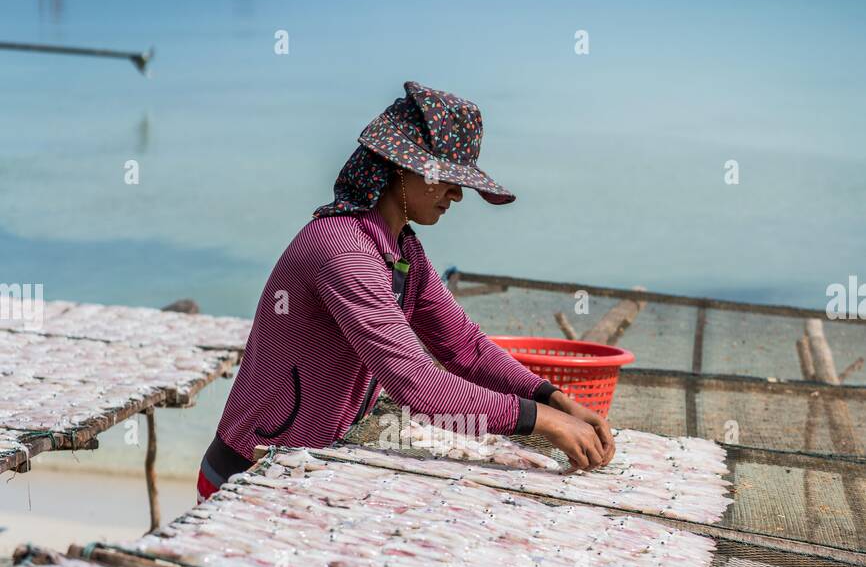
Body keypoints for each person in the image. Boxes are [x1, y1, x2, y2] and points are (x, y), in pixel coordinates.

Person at [197, 81, 614, 499]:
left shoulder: (401, 249)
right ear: (398, 167)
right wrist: (542, 420)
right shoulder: (341, 250)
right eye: (445, 177)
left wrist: (554, 398)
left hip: (308, 466)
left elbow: (465, 347)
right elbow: (417, 386)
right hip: (249, 474)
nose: (458, 193)